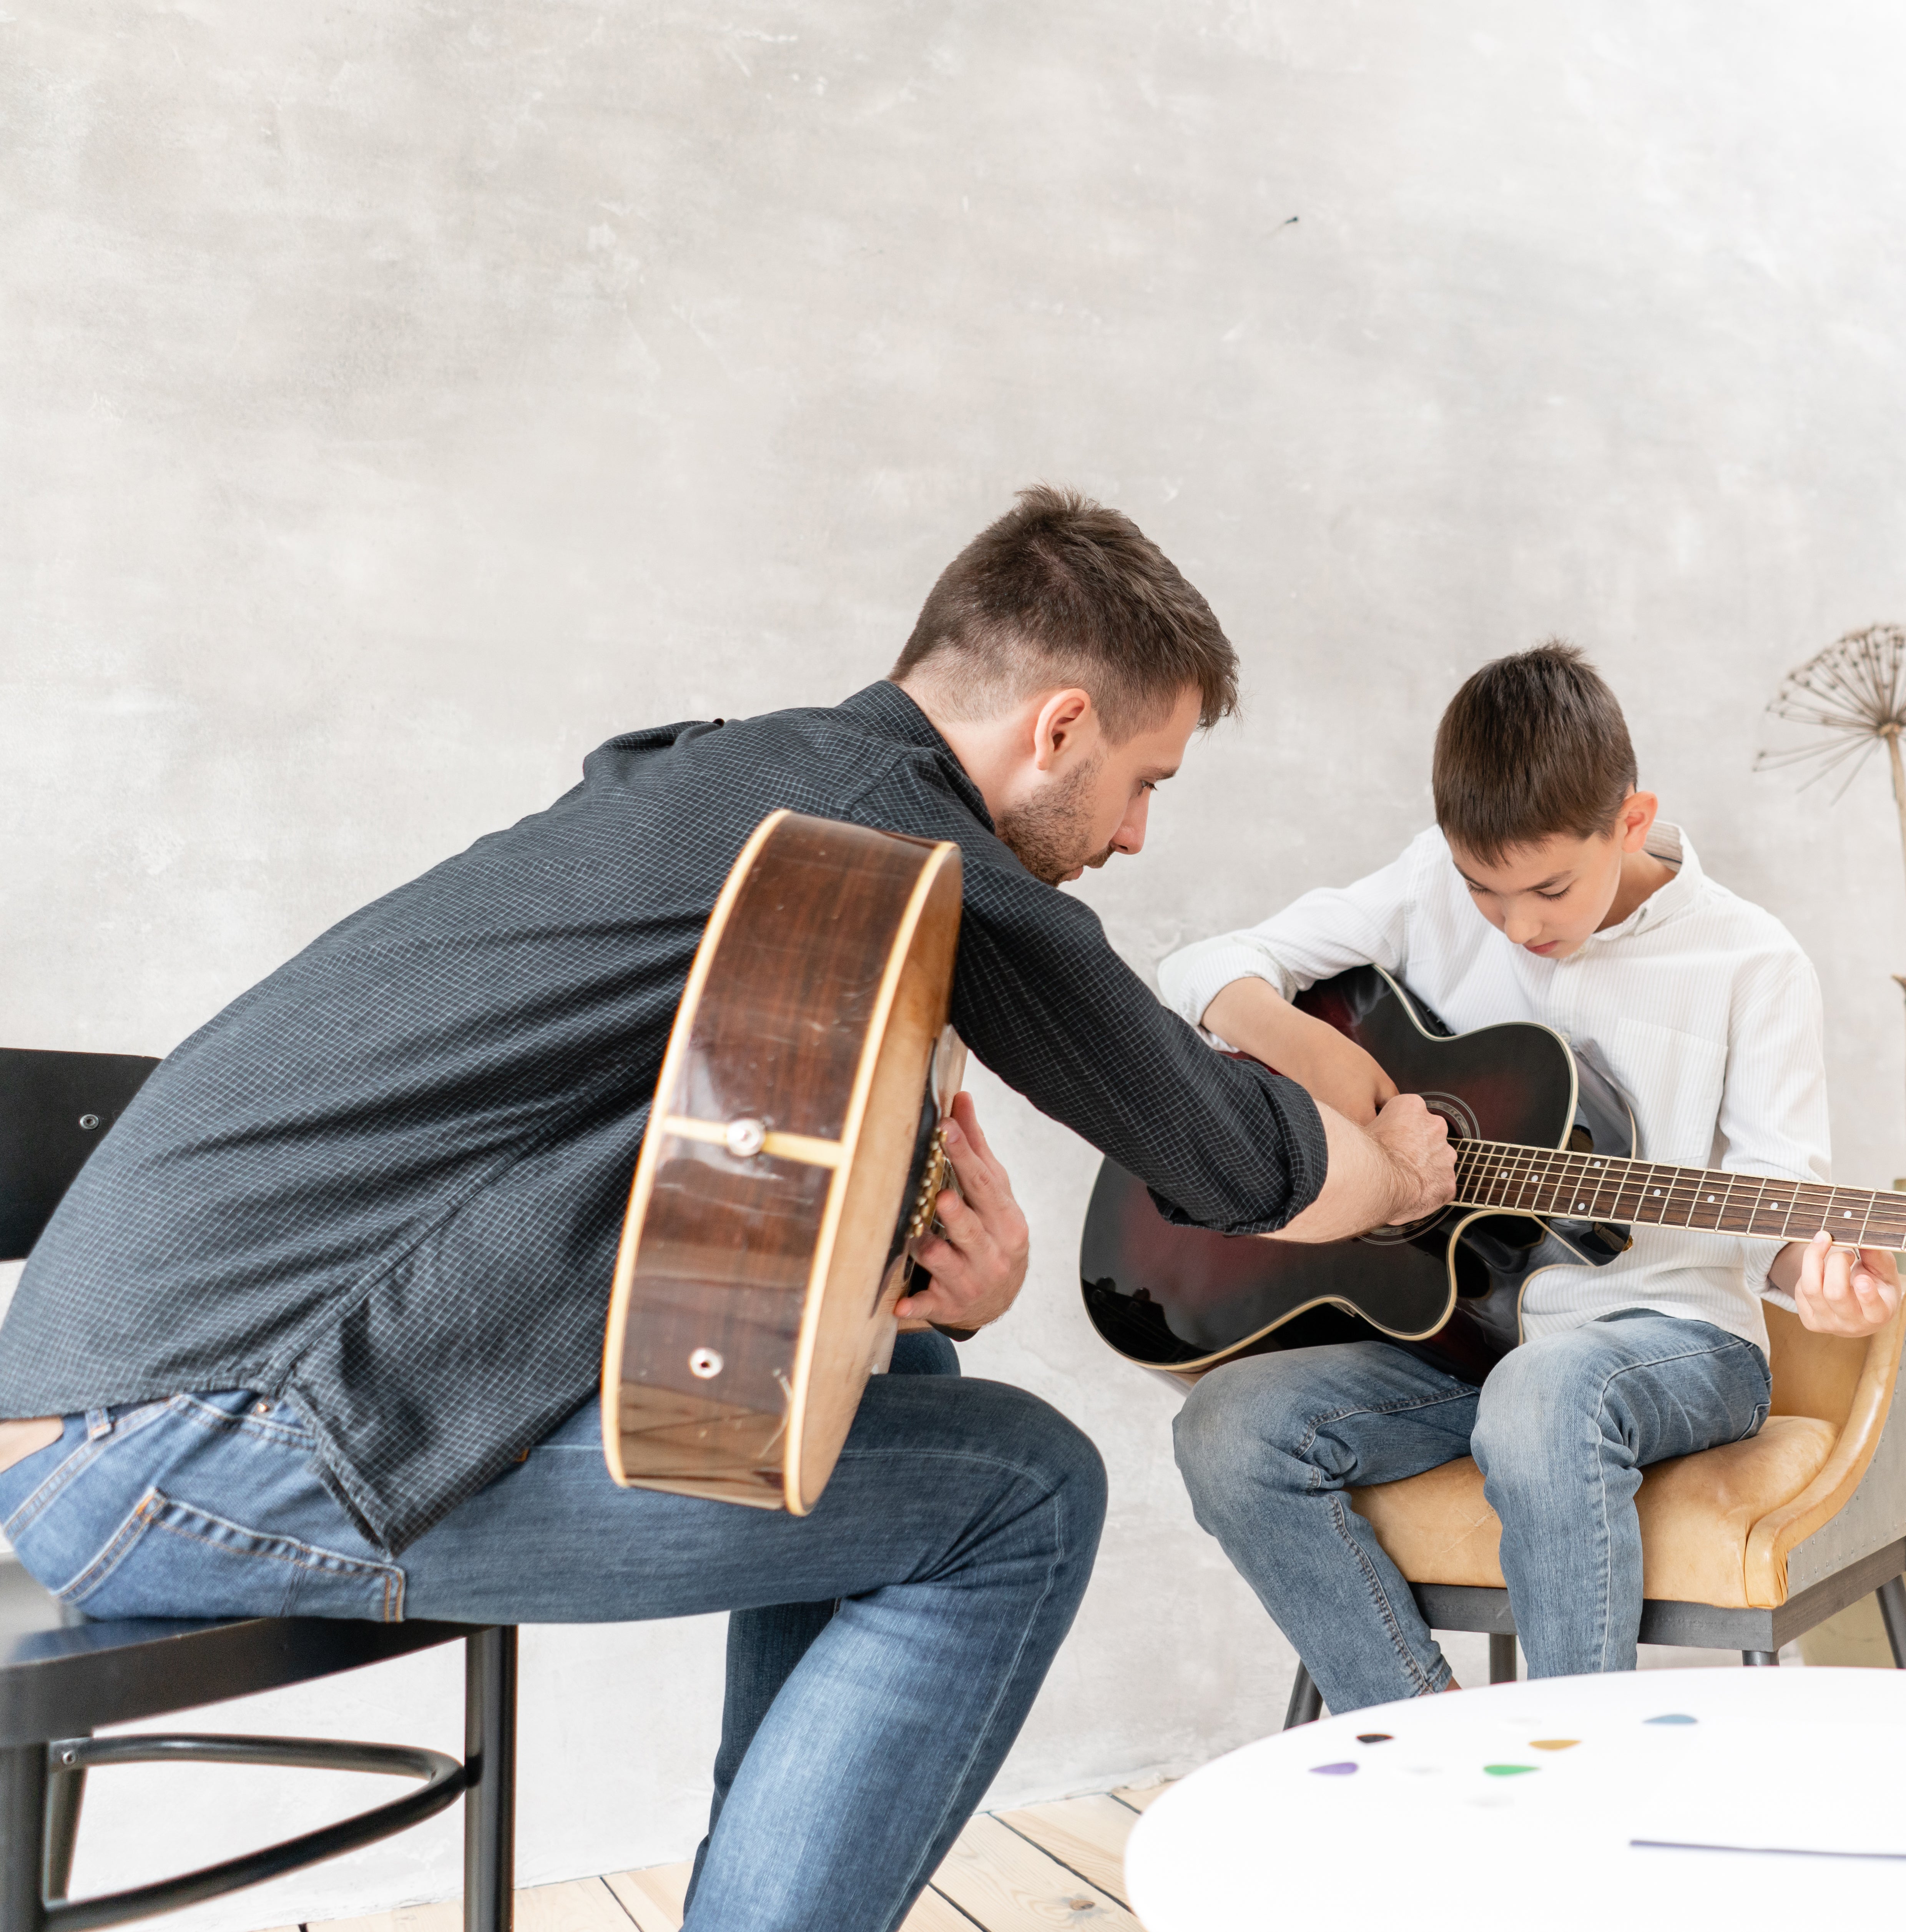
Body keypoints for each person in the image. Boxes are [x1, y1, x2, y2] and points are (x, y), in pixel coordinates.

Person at [0, 488, 1456, 1931]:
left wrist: (945, 1272)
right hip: (210, 1439)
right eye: (1148, 778)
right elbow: (1230, 1159)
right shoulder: (898, 834)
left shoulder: (740, 788)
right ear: (1057, 725)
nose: (1138, 833)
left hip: (127, 1405)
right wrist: (1399, 1158)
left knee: (925, 1376)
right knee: (1026, 1490)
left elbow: (721, 1204)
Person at [1159, 642, 1904, 1712]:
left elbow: (1777, 1208)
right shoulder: (1428, 888)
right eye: (1484, 890)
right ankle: (1430, 1751)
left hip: (1674, 1340)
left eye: (1550, 886)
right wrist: (1331, 1065)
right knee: (1226, 1429)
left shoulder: (1753, 962)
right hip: (1464, 1340)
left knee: (1543, 1395)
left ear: (1632, 821)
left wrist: (1812, 1271)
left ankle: (1574, 1775)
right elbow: (1197, 969)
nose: (1518, 924)